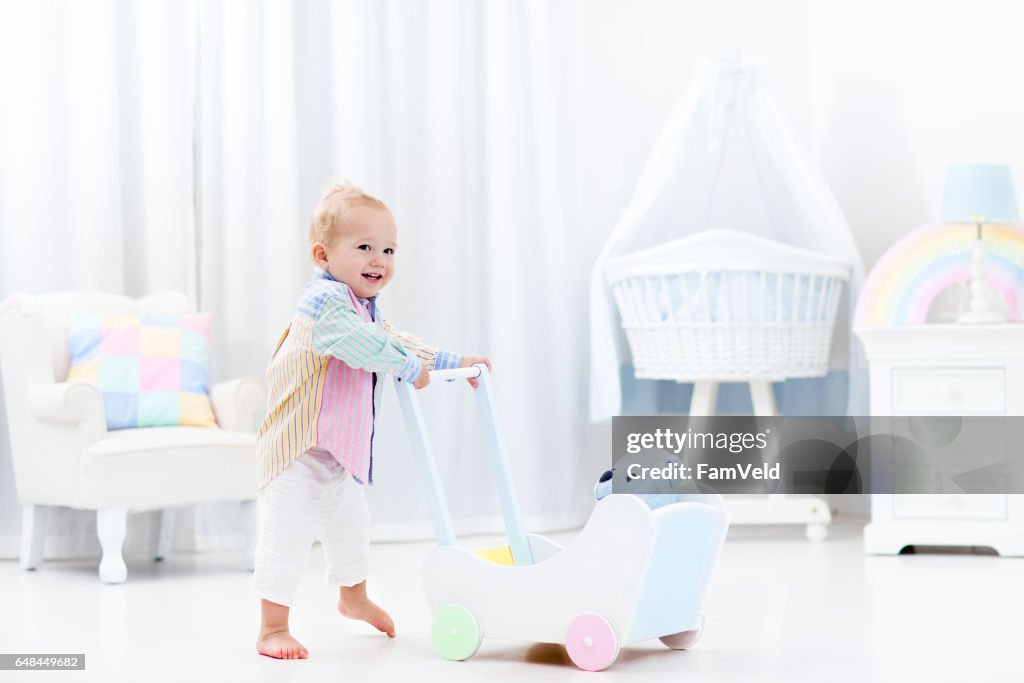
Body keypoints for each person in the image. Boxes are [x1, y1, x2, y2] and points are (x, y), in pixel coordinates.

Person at [252, 181, 490, 659]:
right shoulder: (324, 305)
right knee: (287, 539)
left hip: (337, 450)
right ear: (322, 254)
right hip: (295, 450)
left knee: (350, 528)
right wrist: (407, 368)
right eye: (364, 248)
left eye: (388, 249)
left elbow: (392, 339)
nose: (378, 259)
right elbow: (360, 346)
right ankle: (272, 627)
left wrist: (446, 362)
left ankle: (352, 596)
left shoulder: (364, 309)